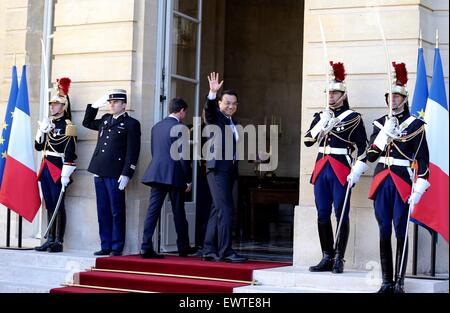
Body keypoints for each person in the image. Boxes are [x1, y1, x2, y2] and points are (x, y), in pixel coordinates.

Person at [367, 62, 430, 293]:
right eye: (390, 97)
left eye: (396, 97)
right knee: (384, 229)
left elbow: (423, 159)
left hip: (403, 180)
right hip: (382, 179)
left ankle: (399, 282)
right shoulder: (380, 123)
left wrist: (420, 187)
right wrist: (384, 134)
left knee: (400, 230)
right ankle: (386, 281)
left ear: (404, 100)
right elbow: (372, 155)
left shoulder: (415, 125)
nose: (392, 100)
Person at [304, 62, 368, 273]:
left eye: (335, 93)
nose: (331, 96)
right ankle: (327, 256)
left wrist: (357, 169)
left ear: (343, 95)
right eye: (329, 93)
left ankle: (339, 257)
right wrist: (321, 124)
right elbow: (307, 141)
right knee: (322, 213)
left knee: (341, 213)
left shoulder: (353, 118)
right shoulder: (320, 116)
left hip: (341, 168)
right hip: (322, 168)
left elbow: (364, 147)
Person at [82, 89, 141, 256]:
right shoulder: (105, 119)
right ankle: (105, 244)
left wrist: (127, 173)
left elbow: (133, 151)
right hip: (99, 170)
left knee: (116, 210)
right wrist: (94, 106)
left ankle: (116, 246)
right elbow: (87, 122)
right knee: (103, 210)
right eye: (110, 102)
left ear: (124, 105)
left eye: (115, 102)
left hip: (116, 173)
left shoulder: (131, 124)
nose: (112, 104)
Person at [140, 98, 197, 258]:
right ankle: (183, 247)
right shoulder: (181, 127)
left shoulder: (157, 127)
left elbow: (154, 151)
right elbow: (183, 156)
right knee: (179, 212)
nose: (185, 115)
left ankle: (145, 246)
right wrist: (188, 179)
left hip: (157, 172)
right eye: (185, 112)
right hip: (174, 174)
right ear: (182, 111)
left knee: (153, 210)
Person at [201, 72, 247, 263]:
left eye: (234, 104)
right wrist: (212, 93)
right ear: (220, 103)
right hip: (217, 170)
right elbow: (209, 111)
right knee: (227, 210)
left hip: (229, 172)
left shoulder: (233, 123)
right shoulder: (216, 117)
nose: (230, 106)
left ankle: (208, 249)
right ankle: (226, 251)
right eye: (227, 102)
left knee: (217, 209)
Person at [35, 78, 77, 253]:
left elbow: (71, 151)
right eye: (52, 104)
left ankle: (58, 241)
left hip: (58, 169)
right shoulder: (49, 123)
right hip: (46, 167)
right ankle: (49, 238)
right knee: (49, 204)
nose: (52, 107)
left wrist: (66, 172)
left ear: (63, 107)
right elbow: (38, 147)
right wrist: (41, 131)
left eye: (56, 104)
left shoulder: (68, 126)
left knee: (59, 204)